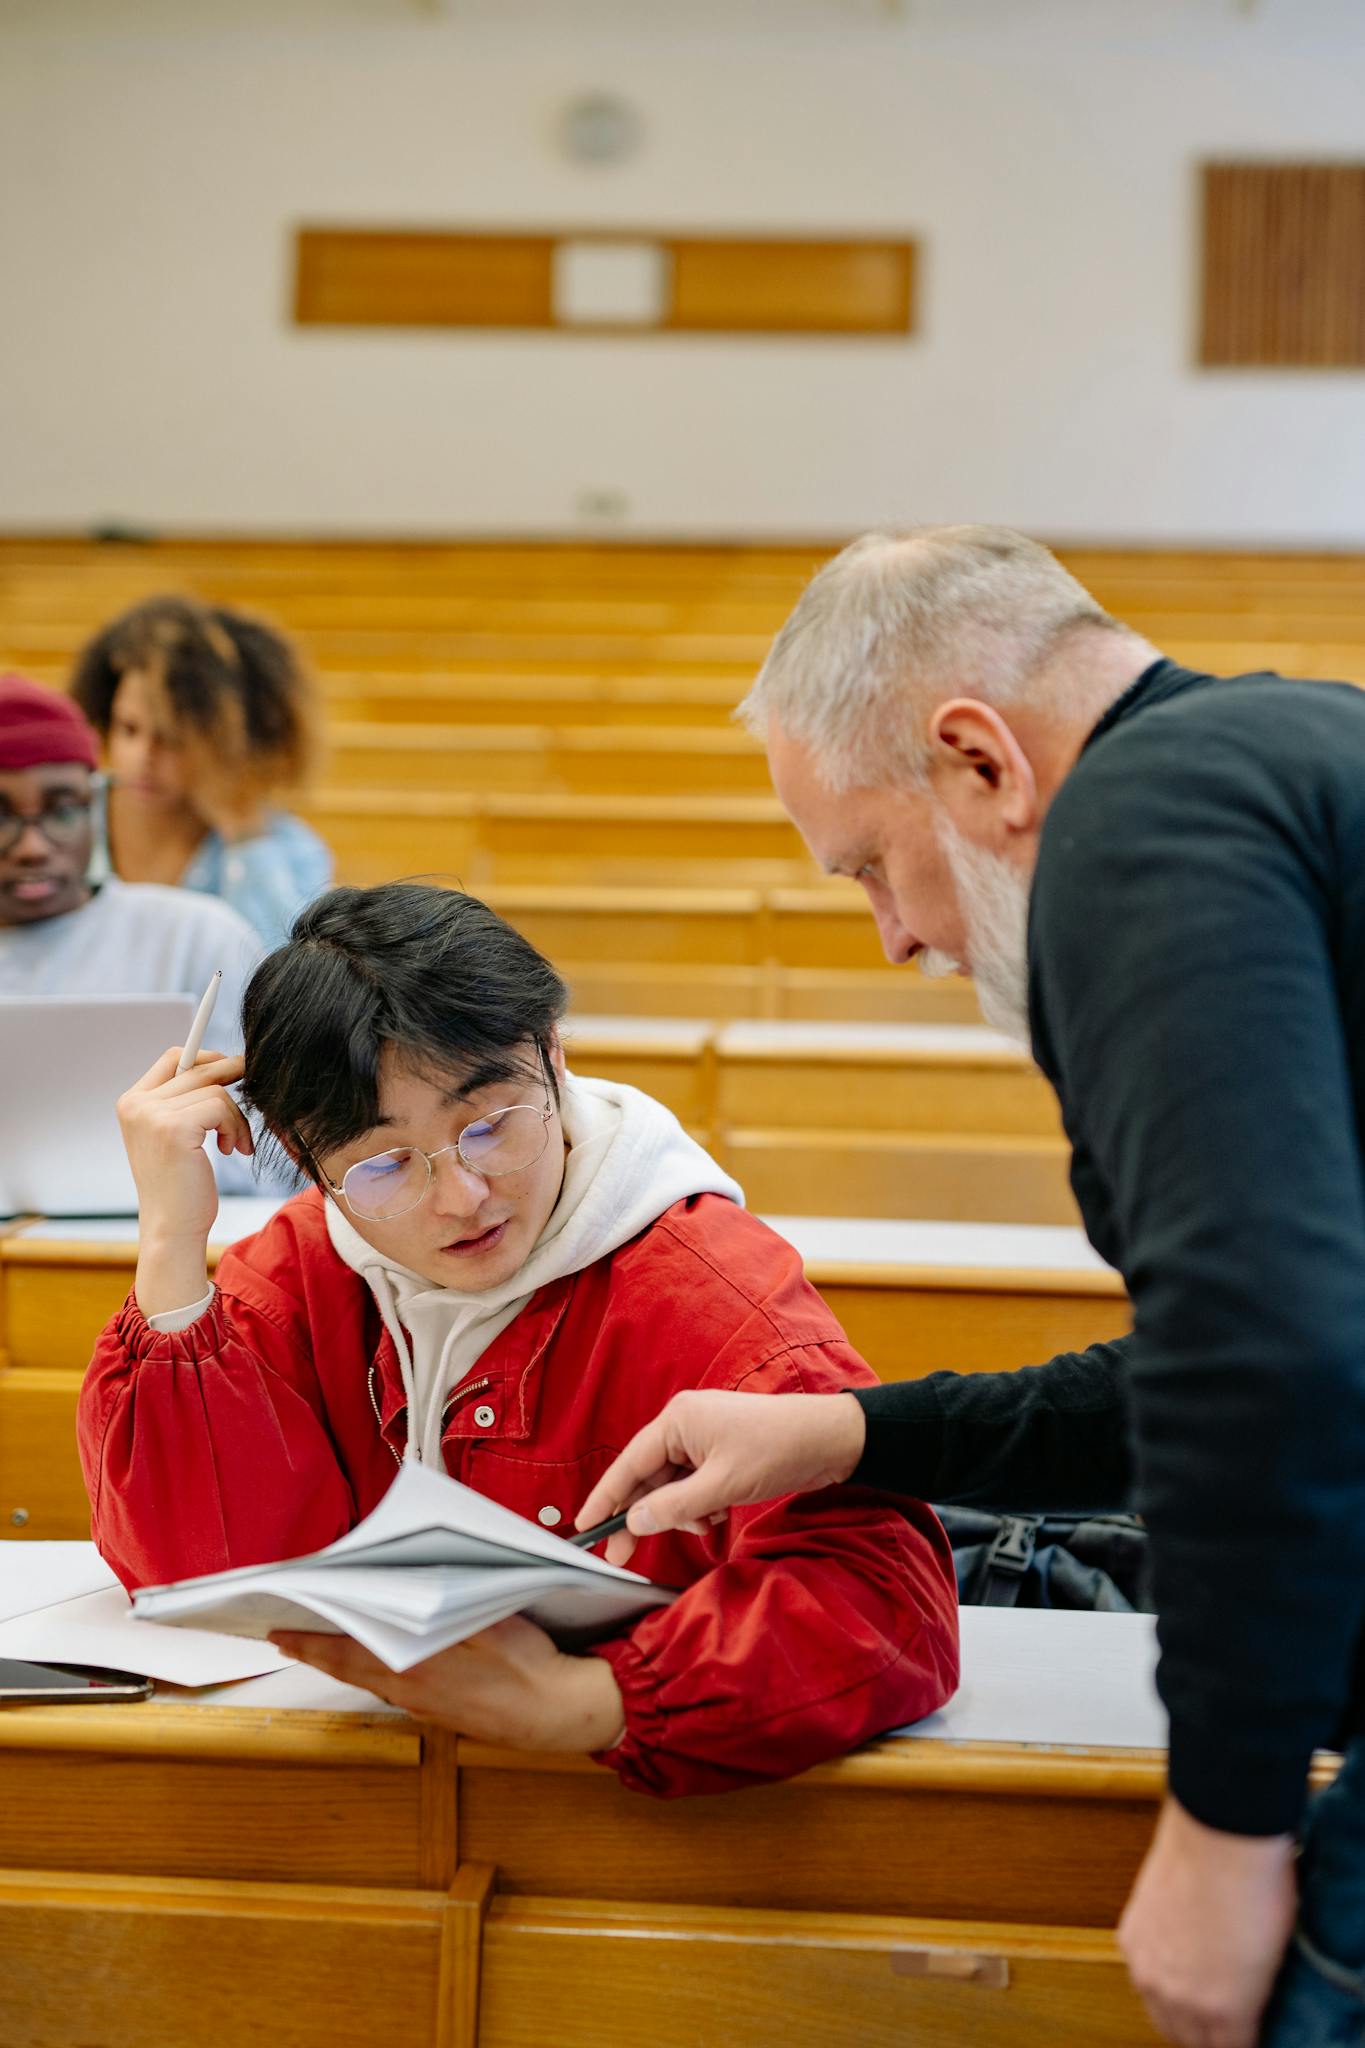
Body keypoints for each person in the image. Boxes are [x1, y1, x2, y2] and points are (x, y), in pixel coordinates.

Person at [576, 525, 1365, 2047]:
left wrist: (1224, 1820)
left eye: (871, 861)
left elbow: (1256, 1362)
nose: (894, 938)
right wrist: (851, 1437)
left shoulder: (1141, 826)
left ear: (979, 763)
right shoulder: (1293, 747)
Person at [77, 881, 959, 1799]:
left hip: (646, 1813)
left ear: (553, 1056)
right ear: (307, 1164)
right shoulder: (308, 1267)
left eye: (493, 1125)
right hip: (377, 1789)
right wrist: (171, 1250)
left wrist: (593, 1701)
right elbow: (197, 1570)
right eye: (382, 1165)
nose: (462, 1197)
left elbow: (887, 1607)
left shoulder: (702, 1290)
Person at [69, 595, 332, 948]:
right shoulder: (66, 812)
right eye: (128, 729)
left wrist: (244, 833)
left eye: (172, 738)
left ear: (223, 740)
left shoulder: (292, 849)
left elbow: (290, 975)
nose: (143, 756)